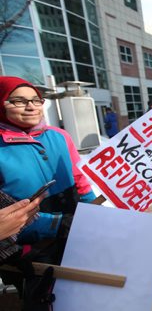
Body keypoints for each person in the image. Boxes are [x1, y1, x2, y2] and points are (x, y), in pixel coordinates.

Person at [0, 76, 96, 290]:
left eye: (36, 100)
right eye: (18, 101)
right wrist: (57, 225)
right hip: (27, 247)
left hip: (74, 231)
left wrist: (93, 211)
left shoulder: (59, 135)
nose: (31, 106)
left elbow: (79, 178)